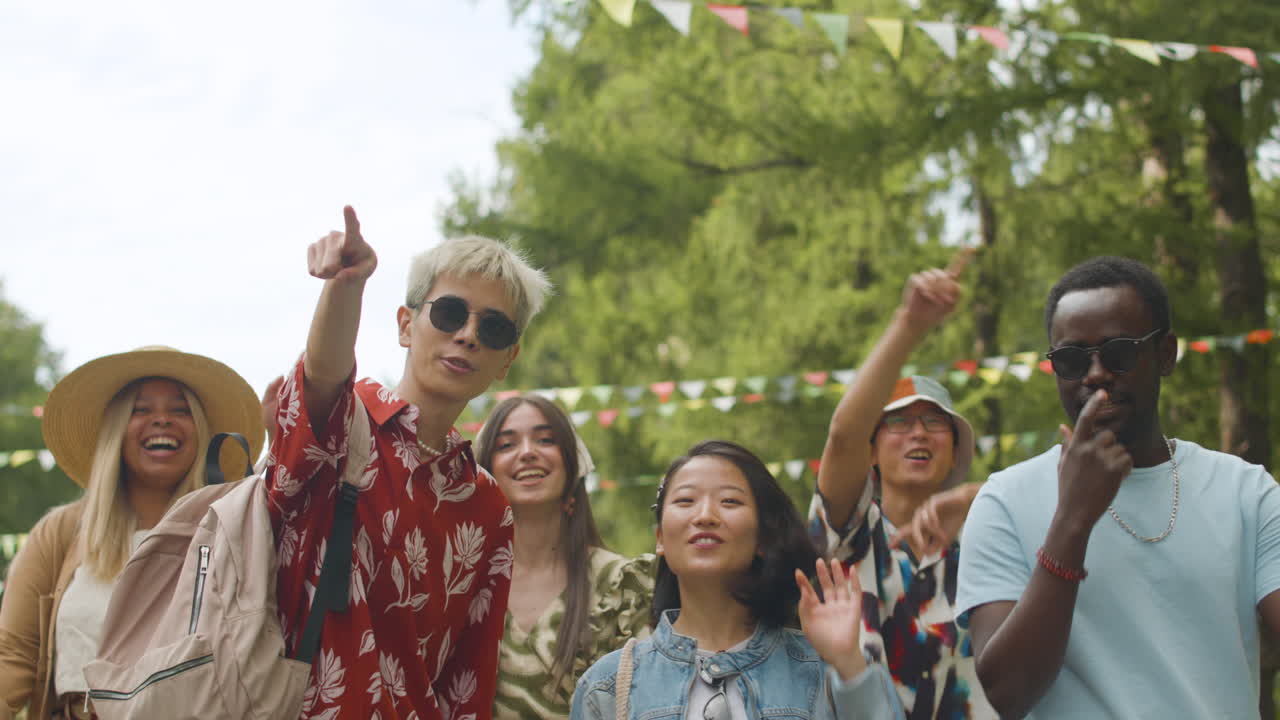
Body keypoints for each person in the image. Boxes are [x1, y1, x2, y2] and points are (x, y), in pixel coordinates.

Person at [956, 256, 1280, 719]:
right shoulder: (1003, 501)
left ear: (1165, 354)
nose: (1095, 374)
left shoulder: (1246, 492)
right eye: (1071, 360)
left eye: (1119, 353)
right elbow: (1006, 692)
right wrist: (1073, 520)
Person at [264, 206, 550, 720]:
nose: (468, 335)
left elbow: (468, 681)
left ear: (507, 359)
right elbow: (322, 376)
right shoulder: (341, 424)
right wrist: (346, 286)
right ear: (405, 325)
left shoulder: (489, 506)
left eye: (494, 328)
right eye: (449, 314)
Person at [0, 346, 264, 720]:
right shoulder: (61, 532)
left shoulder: (235, 530)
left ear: (203, 433)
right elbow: (13, 654)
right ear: (116, 431)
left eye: (181, 410)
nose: (162, 420)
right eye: (140, 410)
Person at [571, 441, 905, 720]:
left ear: (763, 538)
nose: (705, 516)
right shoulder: (607, 686)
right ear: (660, 538)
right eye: (685, 501)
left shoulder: (823, 669)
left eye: (729, 501)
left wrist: (848, 663)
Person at [808, 260, 995, 719]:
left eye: (934, 422)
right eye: (899, 422)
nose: (919, 432)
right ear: (870, 450)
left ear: (955, 450)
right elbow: (843, 435)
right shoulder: (848, 536)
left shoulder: (992, 534)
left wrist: (974, 498)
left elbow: (1079, 492)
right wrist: (910, 323)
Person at [475, 395, 653, 719]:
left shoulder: (622, 584)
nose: (527, 452)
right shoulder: (462, 585)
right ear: (485, 470)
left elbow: (650, 702)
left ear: (572, 465)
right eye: (506, 445)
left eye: (546, 440)